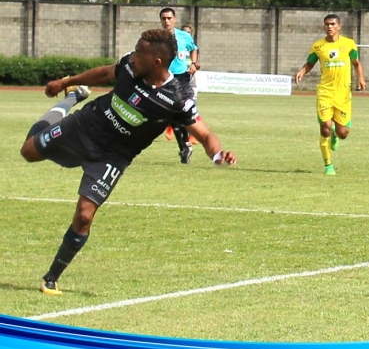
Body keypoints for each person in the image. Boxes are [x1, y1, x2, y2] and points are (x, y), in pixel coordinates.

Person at [20, 29, 237, 295]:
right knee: (28, 151)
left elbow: (204, 135)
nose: (132, 57)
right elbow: (102, 74)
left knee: (85, 214)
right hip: (85, 126)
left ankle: (51, 278)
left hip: (112, 157)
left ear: (156, 61)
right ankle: (71, 100)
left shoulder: (177, 100)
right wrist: (67, 83)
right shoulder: (129, 66)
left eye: (138, 53)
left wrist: (217, 154)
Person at [294, 14, 367, 175]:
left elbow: (356, 63)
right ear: (323, 26)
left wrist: (360, 78)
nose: (330, 27)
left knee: (343, 134)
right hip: (325, 92)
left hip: (343, 94)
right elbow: (310, 63)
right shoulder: (318, 46)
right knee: (325, 127)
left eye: (333, 24)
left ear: (339, 26)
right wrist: (302, 71)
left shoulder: (349, 44)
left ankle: (335, 134)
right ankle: (328, 165)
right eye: (327, 24)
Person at [159, 8, 201, 163]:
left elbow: (194, 49)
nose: (166, 21)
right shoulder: (158, 38)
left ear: (174, 19)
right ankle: (185, 147)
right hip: (164, 79)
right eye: (164, 18)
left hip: (182, 78)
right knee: (171, 116)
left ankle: (185, 146)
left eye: (169, 18)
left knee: (183, 111)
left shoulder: (184, 36)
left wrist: (194, 64)